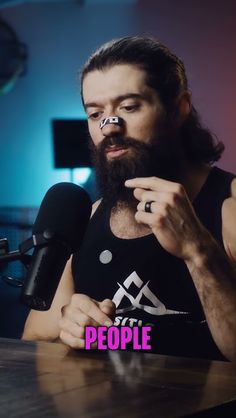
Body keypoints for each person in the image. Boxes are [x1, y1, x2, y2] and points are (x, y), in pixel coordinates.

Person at [22, 36, 236, 361]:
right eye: (95, 114)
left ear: (179, 107)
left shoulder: (229, 206)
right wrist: (72, 326)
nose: (110, 127)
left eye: (129, 107)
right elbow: (35, 341)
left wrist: (198, 250)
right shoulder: (86, 220)